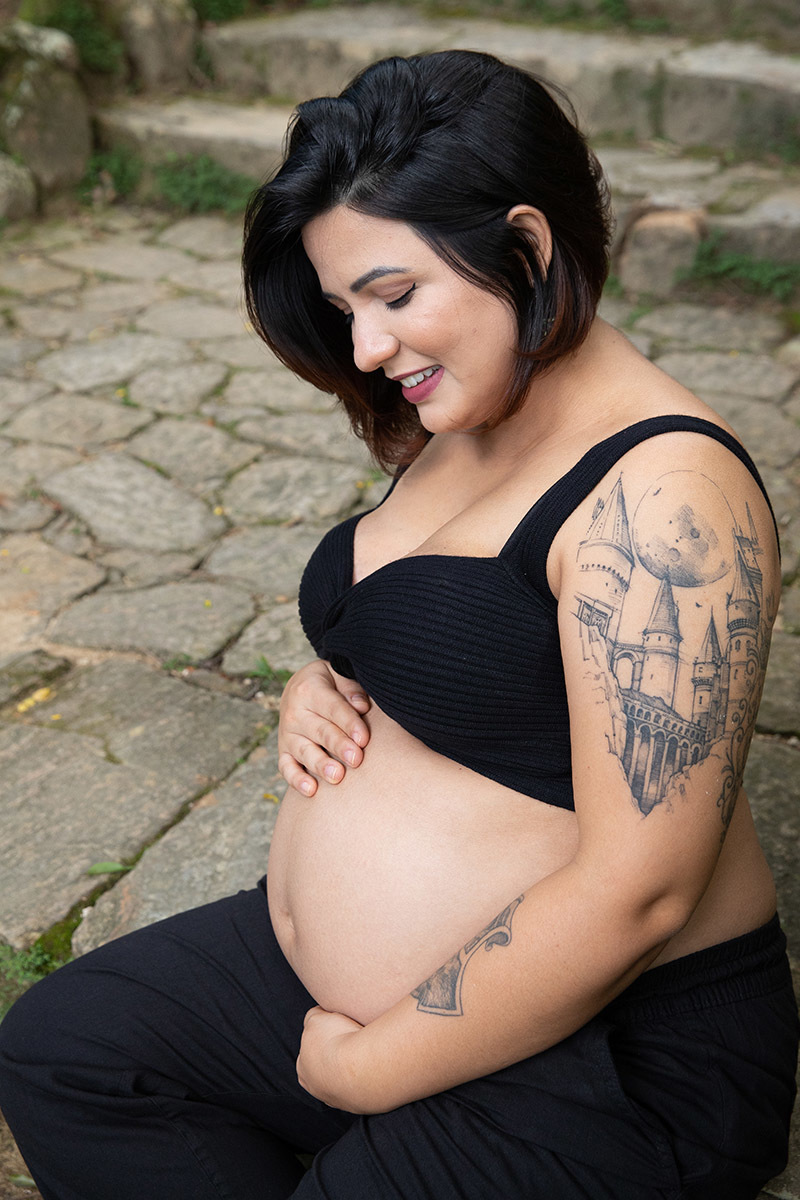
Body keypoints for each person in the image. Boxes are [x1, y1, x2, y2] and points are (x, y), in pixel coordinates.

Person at [0, 49, 797, 1200]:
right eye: (344, 310)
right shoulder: (467, 414)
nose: (367, 350)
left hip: (612, 1050)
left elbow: (642, 891)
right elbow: (460, 642)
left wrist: (374, 1070)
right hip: (376, 1003)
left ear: (524, 248)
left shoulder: (665, 497)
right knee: (67, 1053)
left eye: (391, 296)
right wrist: (323, 684)